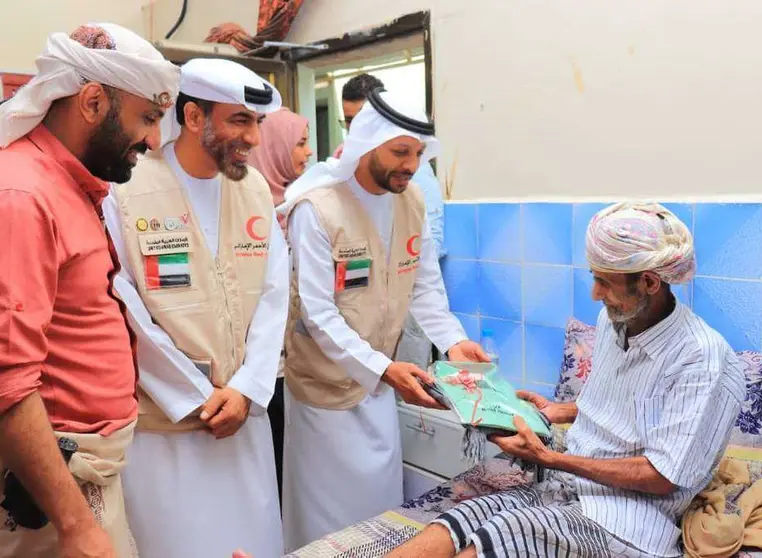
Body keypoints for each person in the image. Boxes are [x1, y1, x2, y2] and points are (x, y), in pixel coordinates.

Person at [389, 202, 747, 558]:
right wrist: (558, 411)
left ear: (650, 282)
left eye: (604, 282)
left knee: (504, 534)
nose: (595, 293)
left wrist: (549, 458)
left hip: (629, 515)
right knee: (461, 519)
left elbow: (660, 476)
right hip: (571, 483)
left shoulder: (702, 360)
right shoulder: (614, 321)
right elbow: (624, 405)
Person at [279, 89, 489, 551]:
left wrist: (454, 342)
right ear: (366, 143)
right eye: (400, 152)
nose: (411, 165)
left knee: (379, 517)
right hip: (323, 396)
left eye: (418, 153)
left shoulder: (410, 202)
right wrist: (383, 368)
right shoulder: (317, 209)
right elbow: (317, 313)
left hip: (377, 392)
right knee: (327, 526)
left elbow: (425, 285)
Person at [0, 23, 179, 558]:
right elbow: (8, 380)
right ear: (93, 101)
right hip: (50, 486)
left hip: (83, 470)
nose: (152, 141)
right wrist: (76, 525)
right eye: (147, 118)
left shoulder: (70, 183)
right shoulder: (22, 195)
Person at [101, 58, 288, 557]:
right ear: (194, 117)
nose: (253, 138)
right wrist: (194, 394)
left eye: (258, 123)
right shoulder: (127, 188)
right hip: (167, 424)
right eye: (240, 120)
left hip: (243, 420)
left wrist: (247, 389)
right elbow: (123, 303)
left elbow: (275, 295)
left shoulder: (254, 190)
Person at [340, 73, 446, 371]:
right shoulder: (334, 181)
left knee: (404, 399)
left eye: (361, 119)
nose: (355, 130)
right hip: (353, 328)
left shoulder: (412, 177)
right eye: (348, 122)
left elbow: (425, 256)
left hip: (405, 309)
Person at [247, 106, 312, 505]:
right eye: (299, 143)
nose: (307, 153)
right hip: (262, 371)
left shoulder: (304, 205)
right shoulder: (249, 208)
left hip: (302, 368)